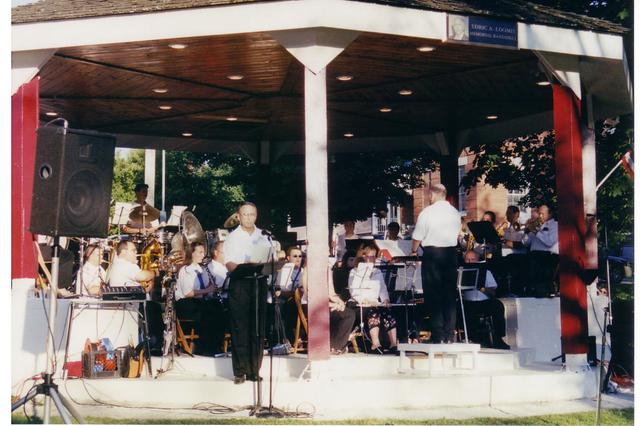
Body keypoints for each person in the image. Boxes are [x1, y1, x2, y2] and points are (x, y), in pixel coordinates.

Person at [223, 201, 273, 384]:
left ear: (256, 216)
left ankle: (254, 370)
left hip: (259, 284)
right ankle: (240, 371)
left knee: (258, 329)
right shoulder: (232, 237)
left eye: (252, 214)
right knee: (240, 328)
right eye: (245, 214)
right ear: (239, 216)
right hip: (240, 284)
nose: (248, 218)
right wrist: (246, 266)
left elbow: (270, 259)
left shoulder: (264, 236)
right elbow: (229, 263)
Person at [411, 184, 461, 343]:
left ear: (433, 194)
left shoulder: (427, 212)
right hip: (450, 254)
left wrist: (413, 251)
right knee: (449, 295)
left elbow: (417, 236)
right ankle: (449, 335)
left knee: (433, 295)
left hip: (433, 254)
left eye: (429, 195)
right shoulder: (455, 212)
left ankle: (438, 335)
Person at [348, 244, 398, 354]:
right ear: (364, 256)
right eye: (371, 256)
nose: (373, 259)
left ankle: (393, 343)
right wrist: (363, 300)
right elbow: (353, 290)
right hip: (360, 304)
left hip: (375, 302)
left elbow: (382, 288)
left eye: (375, 256)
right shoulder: (354, 271)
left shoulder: (377, 272)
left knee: (388, 312)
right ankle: (376, 344)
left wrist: (385, 300)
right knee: (373, 312)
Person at [175, 242, 222, 355]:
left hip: (200, 302)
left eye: (203, 252)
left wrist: (213, 289)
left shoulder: (203, 269)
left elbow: (207, 288)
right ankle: (204, 347)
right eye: (200, 252)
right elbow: (188, 293)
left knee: (218, 309)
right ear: (192, 253)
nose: (203, 255)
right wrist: (208, 290)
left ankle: (215, 346)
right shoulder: (185, 270)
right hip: (186, 304)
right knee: (208, 312)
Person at [461, 251, 510, 350]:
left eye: (472, 259)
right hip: (467, 302)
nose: (470, 262)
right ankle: (470, 338)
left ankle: (498, 338)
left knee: (497, 305)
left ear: (477, 260)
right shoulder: (461, 272)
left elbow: (493, 292)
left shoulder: (485, 272)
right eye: (467, 260)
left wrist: (482, 288)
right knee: (460, 309)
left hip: (483, 302)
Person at [523, 205, 559, 297]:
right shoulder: (537, 225)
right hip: (534, 255)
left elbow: (549, 242)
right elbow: (526, 243)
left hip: (548, 255)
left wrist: (536, 232)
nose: (540, 216)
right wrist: (527, 232)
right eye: (539, 214)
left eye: (543, 214)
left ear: (550, 214)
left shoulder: (555, 225)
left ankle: (542, 291)